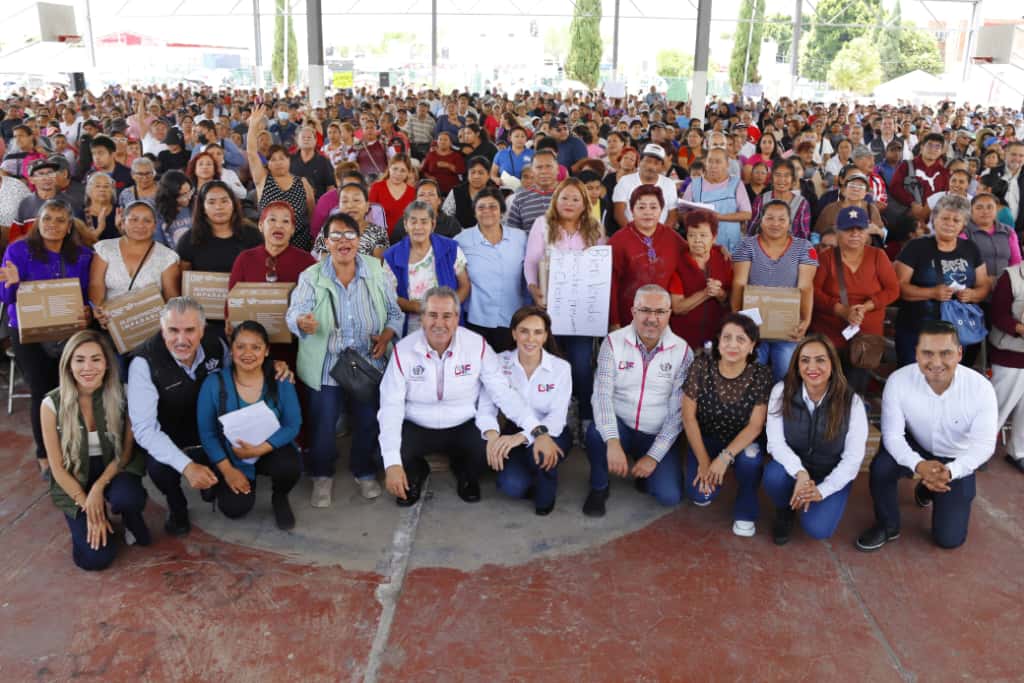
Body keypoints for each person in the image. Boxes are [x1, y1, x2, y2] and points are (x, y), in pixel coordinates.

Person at [378, 286, 562, 506]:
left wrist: (537, 430)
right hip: (417, 424)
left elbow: (504, 393)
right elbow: (390, 406)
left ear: (457, 318)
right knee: (381, 454)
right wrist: (392, 465)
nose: (439, 323)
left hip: (463, 423)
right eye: (432, 315)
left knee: (491, 451)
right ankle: (416, 471)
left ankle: (465, 471)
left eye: (447, 316)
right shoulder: (403, 350)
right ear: (422, 317)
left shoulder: (477, 345)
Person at [286, 212, 403, 507]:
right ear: (326, 242)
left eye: (349, 235)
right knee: (323, 425)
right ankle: (321, 475)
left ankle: (364, 471)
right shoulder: (311, 276)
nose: (343, 241)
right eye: (335, 236)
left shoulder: (376, 269)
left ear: (359, 240)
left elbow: (395, 312)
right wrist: (301, 322)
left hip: (367, 362)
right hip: (326, 365)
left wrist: (387, 335)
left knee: (367, 421)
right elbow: (294, 312)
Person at [856, 321, 998, 551]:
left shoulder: (981, 389)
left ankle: (927, 488)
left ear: (959, 353)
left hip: (956, 457)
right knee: (882, 468)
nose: (936, 362)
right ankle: (887, 525)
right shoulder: (898, 380)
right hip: (917, 444)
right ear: (916, 353)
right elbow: (893, 436)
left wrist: (951, 471)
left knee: (949, 540)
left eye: (946, 353)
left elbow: (984, 445)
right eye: (927, 353)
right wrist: (919, 465)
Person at [41, 330, 150, 570]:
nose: (88, 367)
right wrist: (87, 503)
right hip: (75, 476)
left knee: (130, 502)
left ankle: (129, 517)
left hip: (115, 466)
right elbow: (56, 468)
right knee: (96, 559)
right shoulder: (50, 405)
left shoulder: (123, 393)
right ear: (68, 365)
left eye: (96, 359)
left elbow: (125, 454)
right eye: (79, 360)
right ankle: (89, 525)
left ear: (107, 363)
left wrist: (98, 488)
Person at [583, 285, 692, 517]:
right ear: (633, 311)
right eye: (645, 310)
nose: (652, 318)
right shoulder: (613, 342)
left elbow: (677, 413)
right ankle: (599, 486)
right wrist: (612, 441)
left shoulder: (682, 351)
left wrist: (653, 457)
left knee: (669, 496)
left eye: (660, 312)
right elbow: (601, 395)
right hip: (621, 425)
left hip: (655, 431)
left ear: (669, 313)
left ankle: (644, 468)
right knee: (595, 434)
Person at [1, 199, 92, 477]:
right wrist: (13, 283)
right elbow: (6, 297)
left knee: (71, 390)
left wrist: (88, 309)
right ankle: (44, 452)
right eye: (47, 219)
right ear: (38, 223)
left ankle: (72, 446)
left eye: (60, 220)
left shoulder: (83, 255)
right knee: (42, 391)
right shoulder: (18, 250)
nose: (53, 225)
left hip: (68, 330)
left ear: (69, 226)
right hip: (28, 332)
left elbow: (87, 295)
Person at [127, 297, 223, 535]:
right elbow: (145, 430)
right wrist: (187, 467)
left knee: (233, 501)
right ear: (162, 330)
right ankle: (176, 503)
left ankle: (210, 480)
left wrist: (274, 367)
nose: (181, 340)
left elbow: (240, 377)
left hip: (209, 433)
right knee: (159, 468)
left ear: (202, 330)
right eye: (173, 330)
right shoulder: (143, 362)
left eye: (190, 330)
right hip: (168, 435)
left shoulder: (218, 344)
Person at [196, 321, 301, 530]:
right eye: (240, 346)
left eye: (256, 347)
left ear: (266, 351)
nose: (248, 353)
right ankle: (216, 478)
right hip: (232, 456)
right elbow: (207, 434)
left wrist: (258, 450)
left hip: (268, 449)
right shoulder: (214, 384)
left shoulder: (280, 378)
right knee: (234, 508)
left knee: (290, 465)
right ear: (231, 349)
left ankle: (280, 497)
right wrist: (228, 471)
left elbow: (293, 424)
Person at [765, 334, 868, 544]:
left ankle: (815, 498)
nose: (812, 367)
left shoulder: (852, 402)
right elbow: (775, 442)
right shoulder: (781, 391)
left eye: (820, 360)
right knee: (773, 477)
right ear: (797, 366)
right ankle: (785, 510)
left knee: (818, 529)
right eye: (805, 360)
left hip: (830, 472)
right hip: (795, 469)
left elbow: (853, 459)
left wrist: (821, 491)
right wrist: (800, 473)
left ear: (833, 364)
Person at [524, 178, 606, 432]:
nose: (569, 203)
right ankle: (557, 418)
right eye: (564, 198)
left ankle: (586, 418)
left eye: (575, 199)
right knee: (552, 363)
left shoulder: (595, 228)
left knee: (581, 366)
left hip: (583, 312)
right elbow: (531, 261)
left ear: (584, 204)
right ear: (555, 200)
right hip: (549, 309)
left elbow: (600, 265)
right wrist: (534, 290)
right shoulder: (542, 224)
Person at [682, 313, 771, 536]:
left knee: (750, 460)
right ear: (718, 341)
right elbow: (688, 418)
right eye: (726, 337)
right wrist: (704, 462)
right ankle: (710, 472)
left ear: (752, 346)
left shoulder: (761, 375)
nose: (732, 345)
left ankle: (745, 507)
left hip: (741, 442)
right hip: (707, 438)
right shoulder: (701, 366)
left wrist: (724, 458)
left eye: (741, 339)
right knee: (700, 495)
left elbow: (755, 426)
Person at [478, 306, 573, 515]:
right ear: (514, 333)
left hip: (552, 431)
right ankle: (534, 472)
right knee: (511, 485)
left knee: (539, 454)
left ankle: (546, 484)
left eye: (538, 332)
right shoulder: (498, 362)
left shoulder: (561, 368)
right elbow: (485, 409)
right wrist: (492, 437)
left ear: (546, 336)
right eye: (524, 331)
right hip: (514, 430)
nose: (530, 339)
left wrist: (521, 438)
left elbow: (557, 418)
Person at [811, 206, 900, 393]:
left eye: (860, 229)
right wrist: (841, 310)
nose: (855, 234)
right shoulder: (826, 258)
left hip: (865, 337)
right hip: (830, 334)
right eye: (848, 229)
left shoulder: (877, 256)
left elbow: (893, 290)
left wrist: (866, 307)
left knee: (855, 391)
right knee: (827, 388)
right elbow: (814, 292)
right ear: (838, 232)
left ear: (867, 232)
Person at [893, 195, 989, 367]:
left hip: (957, 332)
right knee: (913, 377)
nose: (950, 223)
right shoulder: (915, 247)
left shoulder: (971, 249)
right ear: (934, 219)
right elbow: (898, 287)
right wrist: (931, 293)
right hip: (916, 331)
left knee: (952, 379)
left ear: (963, 225)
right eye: (944, 218)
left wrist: (972, 294)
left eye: (956, 220)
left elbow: (984, 286)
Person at [730, 199, 818, 383]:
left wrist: (806, 321)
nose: (775, 224)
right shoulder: (747, 245)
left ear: (790, 222)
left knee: (786, 373)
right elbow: (739, 283)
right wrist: (737, 318)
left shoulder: (804, 247)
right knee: (750, 374)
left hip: (787, 326)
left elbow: (806, 287)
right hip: (753, 324)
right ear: (761, 220)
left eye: (781, 219)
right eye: (770, 218)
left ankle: (781, 402)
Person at [228, 201, 317, 363]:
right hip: (252, 351)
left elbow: (316, 304)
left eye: (285, 221)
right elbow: (231, 301)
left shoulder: (307, 262)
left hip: (295, 348)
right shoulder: (245, 259)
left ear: (292, 229)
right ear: (261, 225)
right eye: (272, 220)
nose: (279, 225)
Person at [455, 187, 528, 352]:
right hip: (476, 319)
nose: (487, 211)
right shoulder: (461, 240)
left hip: (513, 318)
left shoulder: (520, 238)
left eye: (493, 206)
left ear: (501, 211)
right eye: (481, 207)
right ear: (474, 212)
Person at [89, 200, 181, 331]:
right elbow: (96, 284)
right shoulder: (105, 248)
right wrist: (99, 311)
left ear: (155, 226)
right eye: (134, 220)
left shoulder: (167, 257)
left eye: (147, 221)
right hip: (110, 325)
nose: (140, 225)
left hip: (150, 329)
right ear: (123, 222)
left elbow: (171, 298)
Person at [383, 201, 470, 335]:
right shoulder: (392, 256)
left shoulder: (450, 248)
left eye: (424, 222)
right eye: (413, 222)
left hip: (448, 325)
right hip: (411, 329)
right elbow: (390, 298)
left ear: (433, 224)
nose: (418, 227)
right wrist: (419, 307)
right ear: (405, 225)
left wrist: (445, 310)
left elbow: (464, 286)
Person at [608, 185, 688, 328]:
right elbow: (610, 285)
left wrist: (718, 250)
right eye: (641, 207)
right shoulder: (618, 241)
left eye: (653, 207)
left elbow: (694, 254)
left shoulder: (672, 237)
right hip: (629, 317)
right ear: (632, 211)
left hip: (663, 317)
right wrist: (614, 322)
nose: (648, 212)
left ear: (661, 210)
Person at [248, 105, 315, 251]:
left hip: (300, 244)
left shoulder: (302, 183)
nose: (278, 162)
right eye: (273, 159)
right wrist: (253, 125)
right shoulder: (263, 180)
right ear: (268, 164)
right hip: (269, 245)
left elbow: (311, 214)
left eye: (282, 158)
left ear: (289, 161)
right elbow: (252, 153)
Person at [671, 209, 733, 350]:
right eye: (692, 235)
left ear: (714, 237)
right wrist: (706, 293)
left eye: (703, 235)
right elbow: (678, 308)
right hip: (683, 339)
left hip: (717, 337)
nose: (697, 240)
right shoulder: (678, 263)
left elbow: (730, 301)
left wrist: (720, 293)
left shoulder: (724, 259)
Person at [681, 147, 752, 252]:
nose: (713, 165)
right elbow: (683, 212)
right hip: (702, 245)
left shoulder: (736, 183)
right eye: (710, 161)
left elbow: (747, 214)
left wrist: (719, 217)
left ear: (727, 164)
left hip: (731, 244)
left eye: (718, 162)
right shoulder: (695, 184)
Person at [611, 144, 679, 230]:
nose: (651, 166)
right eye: (648, 161)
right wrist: (633, 234)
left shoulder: (669, 184)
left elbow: (673, 214)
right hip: (630, 233)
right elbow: (619, 214)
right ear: (639, 162)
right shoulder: (625, 181)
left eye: (656, 163)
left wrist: (661, 234)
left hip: (660, 233)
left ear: (662, 167)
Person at [964, 192, 1020, 291]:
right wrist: (984, 282)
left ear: (996, 210)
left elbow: (1016, 262)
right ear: (971, 211)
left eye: (990, 207)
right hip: (974, 289)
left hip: (1005, 288)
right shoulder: (964, 232)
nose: (985, 211)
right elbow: (962, 264)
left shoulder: (1008, 232)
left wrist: (1007, 282)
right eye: (979, 208)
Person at [747, 160, 811, 239]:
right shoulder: (760, 200)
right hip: (763, 244)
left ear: (793, 180)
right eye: (777, 175)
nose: (781, 179)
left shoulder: (802, 204)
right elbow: (751, 230)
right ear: (771, 179)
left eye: (786, 175)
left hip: (792, 246)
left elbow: (804, 235)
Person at [390, 178, 463, 242]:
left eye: (431, 194)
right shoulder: (404, 222)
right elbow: (395, 247)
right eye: (421, 195)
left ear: (439, 200)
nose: (426, 198)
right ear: (415, 201)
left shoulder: (451, 223)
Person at [505, 149, 559, 231]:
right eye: (539, 167)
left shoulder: (570, 195)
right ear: (532, 170)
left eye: (549, 166)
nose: (544, 171)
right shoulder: (520, 199)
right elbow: (512, 232)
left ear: (557, 169)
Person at [442, 156, 498, 230]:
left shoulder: (495, 194)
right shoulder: (457, 192)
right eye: (472, 172)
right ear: (468, 174)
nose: (476, 176)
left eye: (480, 173)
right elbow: (445, 217)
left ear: (488, 175)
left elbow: (501, 220)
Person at [368, 154, 416, 231]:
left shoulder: (412, 192)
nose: (398, 174)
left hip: (404, 236)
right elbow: (370, 216)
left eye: (403, 170)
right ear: (389, 168)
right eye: (395, 169)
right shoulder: (377, 187)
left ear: (408, 173)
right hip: (379, 235)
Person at [289, 124, 335, 199]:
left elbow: (330, 186)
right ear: (297, 140)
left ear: (315, 140)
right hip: (293, 201)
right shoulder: (289, 159)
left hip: (318, 202)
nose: (306, 139)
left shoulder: (324, 161)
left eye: (309, 137)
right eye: (303, 137)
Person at [153, 170, 193, 248]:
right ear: (170, 195)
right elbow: (158, 245)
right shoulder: (158, 214)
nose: (188, 197)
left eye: (189, 192)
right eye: (183, 195)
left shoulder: (195, 206)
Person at [421, 131, 465, 195]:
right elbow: (423, 171)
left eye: (445, 140)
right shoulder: (431, 155)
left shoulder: (456, 156)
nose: (442, 142)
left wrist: (448, 165)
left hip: (451, 190)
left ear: (450, 143)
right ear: (437, 141)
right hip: (433, 188)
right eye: (440, 139)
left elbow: (461, 171)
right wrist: (429, 177)